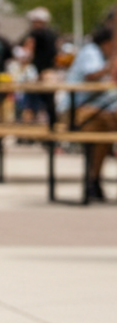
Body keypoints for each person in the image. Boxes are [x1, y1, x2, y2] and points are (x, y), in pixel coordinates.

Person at [60, 24, 117, 201]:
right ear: (106, 43)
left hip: (91, 110)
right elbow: (90, 75)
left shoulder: (98, 53)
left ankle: (94, 180)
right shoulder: (91, 52)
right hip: (73, 111)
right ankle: (93, 181)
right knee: (105, 128)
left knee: (107, 128)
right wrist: (111, 65)